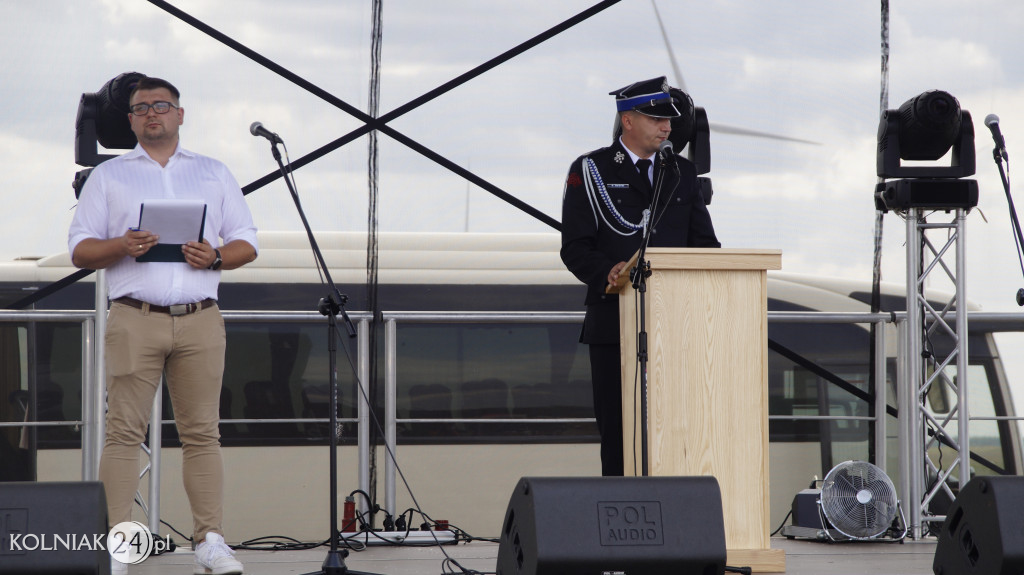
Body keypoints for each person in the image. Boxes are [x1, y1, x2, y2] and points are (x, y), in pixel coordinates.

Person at [68, 76, 257, 575]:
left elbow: (246, 242)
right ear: (129, 121)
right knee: (124, 433)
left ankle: (211, 540)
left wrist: (214, 257)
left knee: (202, 434)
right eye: (141, 108)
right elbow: (81, 248)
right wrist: (121, 246)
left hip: (199, 319)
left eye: (161, 105)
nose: (152, 114)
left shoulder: (214, 173)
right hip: (135, 316)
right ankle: (118, 543)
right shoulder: (109, 178)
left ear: (179, 114)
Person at [560, 76, 720, 476]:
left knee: (678, 429)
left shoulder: (681, 172)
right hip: (614, 321)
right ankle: (622, 527)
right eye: (656, 118)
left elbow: (706, 246)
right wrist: (607, 272)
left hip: (676, 325)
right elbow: (575, 246)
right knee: (619, 433)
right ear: (627, 120)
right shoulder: (590, 169)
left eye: (669, 120)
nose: (667, 127)